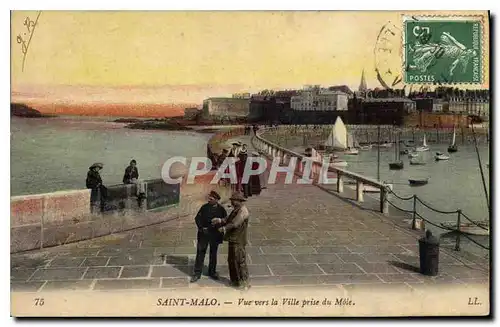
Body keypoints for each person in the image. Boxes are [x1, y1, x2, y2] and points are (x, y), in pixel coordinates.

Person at [212, 192, 250, 289]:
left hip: (238, 240)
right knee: (231, 260)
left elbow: (235, 223)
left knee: (239, 261)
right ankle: (235, 281)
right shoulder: (236, 209)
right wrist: (220, 220)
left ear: (238, 201)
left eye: (233, 200)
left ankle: (244, 283)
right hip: (233, 239)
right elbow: (229, 219)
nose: (231, 202)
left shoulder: (243, 211)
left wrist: (224, 229)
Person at [191, 191, 228, 283]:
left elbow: (225, 220)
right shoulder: (204, 207)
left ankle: (212, 272)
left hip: (214, 235)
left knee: (213, 254)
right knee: (200, 253)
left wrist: (220, 225)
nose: (209, 200)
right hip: (203, 234)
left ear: (216, 200)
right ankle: (197, 273)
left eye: (211, 199)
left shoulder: (221, 210)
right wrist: (201, 228)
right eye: (209, 198)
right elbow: (197, 218)